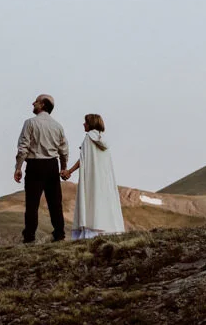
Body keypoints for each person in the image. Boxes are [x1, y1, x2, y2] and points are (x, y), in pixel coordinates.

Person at [61, 113, 126, 239]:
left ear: (91, 124)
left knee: (90, 201)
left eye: (86, 122)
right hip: (103, 179)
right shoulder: (103, 140)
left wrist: (69, 171)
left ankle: (90, 231)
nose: (83, 124)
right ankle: (107, 229)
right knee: (104, 202)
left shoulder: (88, 138)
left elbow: (83, 159)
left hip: (91, 179)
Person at [14, 94, 69, 243]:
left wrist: (18, 168)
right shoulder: (58, 126)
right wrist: (63, 168)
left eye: (36, 101)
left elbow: (23, 147)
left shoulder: (30, 123)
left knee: (32, 203)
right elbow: (63, 150)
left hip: (35, 165)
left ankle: (29, 238)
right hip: (52, 165)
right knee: (55, 203)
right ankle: (59, 235)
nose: (33, 103)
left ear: (43, 105)